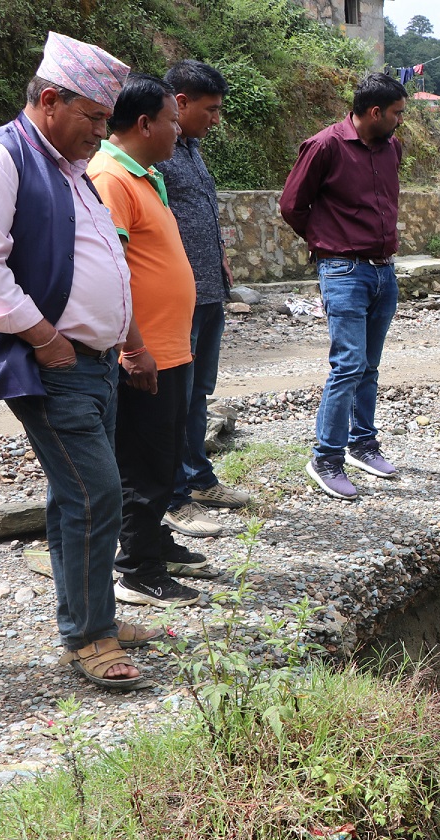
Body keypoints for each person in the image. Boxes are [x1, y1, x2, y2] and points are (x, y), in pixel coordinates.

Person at [0, 32, 160, 690]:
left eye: (105, 119)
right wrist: (43, 337)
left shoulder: (70, 170)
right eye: (93, 118)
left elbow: (104, 265)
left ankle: (94, 616)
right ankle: (90, 637)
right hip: (53, 363)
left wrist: (129, 340)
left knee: (77, 496)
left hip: (95, 362)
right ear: (49, 100)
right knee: (93, 491)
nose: (101, 131)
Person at [87, 73, 203, 609]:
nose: (178, 131)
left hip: (169, 346)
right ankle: (138, 568)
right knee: (144, 462)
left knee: (164, 453)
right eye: (173, 121)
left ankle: (154, 542)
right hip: (144, 350)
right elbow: (110, 271)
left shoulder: (144, 175)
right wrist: (134, 348)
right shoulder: (110, 176)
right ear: (144, 123)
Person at [280, 73, 407, 501]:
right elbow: (292, 205)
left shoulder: (391, 147)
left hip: (383, 271)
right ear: (375, 112)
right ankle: (326, 457)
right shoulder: (325, 145)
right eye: (397, 113)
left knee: (369, 365)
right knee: (349, 364)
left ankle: (362, 445)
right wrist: (328, 241)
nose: (400, 121)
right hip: (343, 270)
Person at [158, 59, 251, 541]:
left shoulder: (190, 148)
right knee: (173, 398)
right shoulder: (154, 151)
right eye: (210, 110)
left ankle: (199, 480)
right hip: (176, 299)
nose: (217, 120)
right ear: (180, 102)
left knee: (197, 394)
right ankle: (173, 498)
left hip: (208, 290)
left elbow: (198, 213)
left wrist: (219, 256)